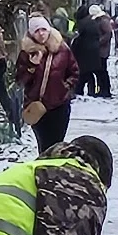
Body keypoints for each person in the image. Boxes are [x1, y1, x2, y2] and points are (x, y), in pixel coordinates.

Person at [16, 16, 78, 152]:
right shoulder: (27, 52)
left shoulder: (62, 49)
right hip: (37, 106)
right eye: (37, 31)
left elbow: (74, 72)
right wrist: (32, 65)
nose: (41, 34)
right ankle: (44, 170)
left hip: (59, 105)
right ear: (32, 34)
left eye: (44, 29)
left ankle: (54, 170)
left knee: (57, 144)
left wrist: (65, 87)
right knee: (44, 146)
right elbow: (20, 80)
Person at [70, 8, 103, 97]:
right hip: (93, 51)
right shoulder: (92, 22)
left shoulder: (81, 24)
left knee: (83, 73)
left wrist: (73, 49)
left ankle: (80, 91)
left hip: (84, 52)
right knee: (90, 74)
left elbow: (77, 38)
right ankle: (92, 91)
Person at [90, 5, 114, 98]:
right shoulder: (102, 20)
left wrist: (98, 42)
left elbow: (108, 34)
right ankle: (103, 89)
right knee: (101, 71)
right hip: (101, 50)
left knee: (102, 71)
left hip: (102, 51)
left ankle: (105, 90)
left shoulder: (103, 21)